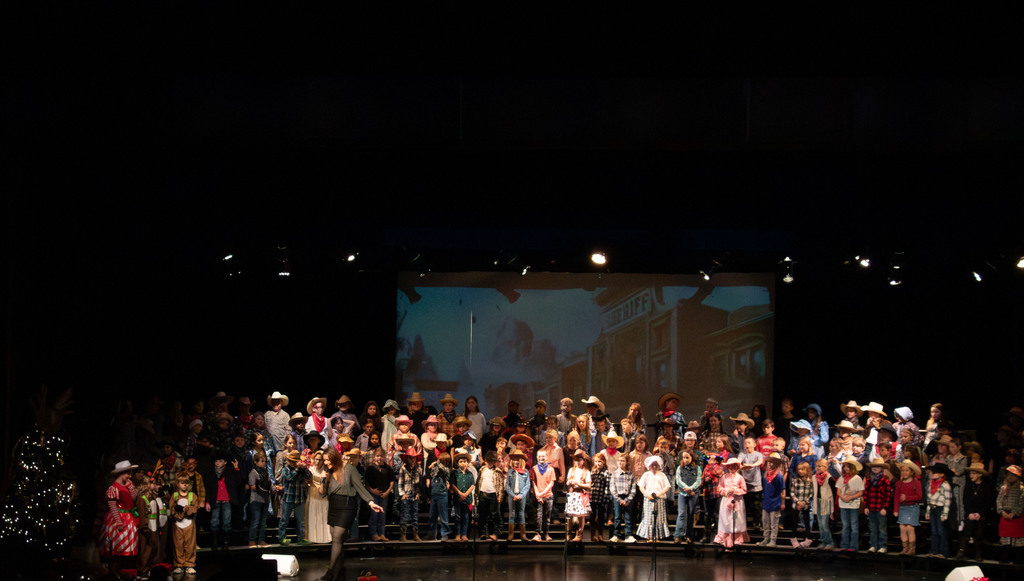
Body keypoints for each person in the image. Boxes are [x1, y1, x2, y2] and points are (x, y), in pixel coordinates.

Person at [317, 447, 384, 581]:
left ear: (334, 457)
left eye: (327, 460)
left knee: (337, 537)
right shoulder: (328, 471)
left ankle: (329, 572)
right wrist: (322, 480)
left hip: (347, 506)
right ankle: (338, 572)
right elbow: (322, 493)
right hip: (334, 506)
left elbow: (360, 487)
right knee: (338, 542)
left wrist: (371, 502)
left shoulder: (349, 469)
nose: (325, 463)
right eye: (324, 461)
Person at [99, 460, 140, 579]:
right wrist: (118, 522)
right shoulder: (113, 488)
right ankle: (113, 571)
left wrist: (130, 486)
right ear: (121, 473)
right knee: (118, 547)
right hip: (119, 519)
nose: (129, 475)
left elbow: (134, 498)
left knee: (127, 547)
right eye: (127, 473)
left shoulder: (127, 484)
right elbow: (112, 506)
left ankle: (123, 571)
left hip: (129, 517)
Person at [135, 472, 168, 580]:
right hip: (146, 529)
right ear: (146, 485)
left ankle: (152, 568)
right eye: (153, 483)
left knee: (154, 548)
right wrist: (145, 527)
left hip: (153, 528)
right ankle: (143, 569)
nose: (156, 486)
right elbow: (142, 514)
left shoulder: (154, 498)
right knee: (146, 549)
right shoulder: (142, 499)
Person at [957, 462, 992, 560]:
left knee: (979, 534)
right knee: (966, 532)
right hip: (970, 513)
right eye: (970, 473)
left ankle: (978, 554)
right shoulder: (968, 486)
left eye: (973, 473)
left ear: (980, 474)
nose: (971, 475)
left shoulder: (985, 487)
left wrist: (979, 514)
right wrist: (969, 513)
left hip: (980, 514)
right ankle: (961, 551)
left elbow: (987, 502)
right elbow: (965, 500)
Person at [277, 450, 311, 545]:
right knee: (284, 519)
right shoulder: (286, 469)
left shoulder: (301, 469)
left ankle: (301, 538)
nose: (293, 463)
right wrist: (297, 469)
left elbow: (310, 477)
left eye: (294, 461)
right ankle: (281, 537)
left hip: (300, 498)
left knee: (301, 521)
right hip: (288, 498)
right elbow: (289, 477)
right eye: (291, 461)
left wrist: (304, 469)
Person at [714, 457, 748, 548]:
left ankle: (736, 538)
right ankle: (724, 538)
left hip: (737, 501)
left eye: (733, 466)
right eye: (730, 466)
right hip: (726, 500)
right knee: (726, 518)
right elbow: (719, 488)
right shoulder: (724, 477)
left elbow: (744, 490)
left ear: (737, 467)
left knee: (737, 518)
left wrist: (735, 491)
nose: (731, 468)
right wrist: (725, 491)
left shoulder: (740, 477)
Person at [170, 473, 200, 576]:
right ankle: (179, 564)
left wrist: (187, 509)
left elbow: (195, 508)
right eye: (182, 483)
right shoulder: (174, 496)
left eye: (186, 483)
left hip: (189, 524)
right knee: (178, 544)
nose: (184, 485)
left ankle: (190, 564)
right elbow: (171, 509)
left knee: (190, 544)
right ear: (178, 484)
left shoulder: (192, 495)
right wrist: (178, 512)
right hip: (178, 524)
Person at [863, 457, 892, 553]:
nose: (875, 468)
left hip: (880, 508)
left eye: (878, 467)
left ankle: (882, 545)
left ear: (882, 468)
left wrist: (885, 508)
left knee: (882, 528)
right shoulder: (869, 480)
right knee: (873, 528)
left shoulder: (885, 480)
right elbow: (866, 494)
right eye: (873, 466)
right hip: (871, 507)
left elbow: (887, 495)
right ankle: (873, 545)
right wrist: (866, 506)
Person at [995, 464, 1023, 564]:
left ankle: (1017, 560)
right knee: (1005, 539)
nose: (1010, 477)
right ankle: (1005, 559)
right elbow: (999, 500)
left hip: (1016, 517)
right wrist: (1001, 511)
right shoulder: (1004, 487)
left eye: (1013, 475)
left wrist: (1014, 513)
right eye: (1008, 475)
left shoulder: (1021, 488)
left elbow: (1021, 503)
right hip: (1004, 515)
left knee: (1017, 540)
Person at [925, 462, 954, 557]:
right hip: (933, 508)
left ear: (942, 474)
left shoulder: (945, 485)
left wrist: (945, 513)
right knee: (934, 531)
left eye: (935, 472)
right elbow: (929, 498)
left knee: (942, 531)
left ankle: (943, 552)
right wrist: (928, 511)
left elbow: (947, 500)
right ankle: (934, 551)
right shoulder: (931, 484)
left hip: (940, 509)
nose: (932, 474)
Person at [894, 459, 923, 555]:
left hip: (912, 507)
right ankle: (905, 547)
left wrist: (907, 498)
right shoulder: (899, 484)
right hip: (903, 507)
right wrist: (895, 509)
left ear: (911, 472)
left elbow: (919, 496)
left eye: (906, 470)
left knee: (910, 527)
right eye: (902, 470)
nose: (904, 472)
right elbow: (896, 497)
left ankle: (912, 548)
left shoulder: (916, 483)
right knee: (902, 527)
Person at [836, 457, 864, 552]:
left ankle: (853, 546)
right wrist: (843, 496)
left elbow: (860, 492)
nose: (846, 468)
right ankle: (844, 544)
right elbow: (838, 491)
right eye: (845, 466)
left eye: (848, 466)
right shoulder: (842, 478)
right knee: (845, 525)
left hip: (853, 505)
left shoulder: (857, 478)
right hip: (843, 505)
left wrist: (850, 497)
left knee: (854, 525)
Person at [674, 449, 701, 543]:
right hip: (683, 493)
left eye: (687, 457)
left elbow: (698, 480)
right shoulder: (679, 468)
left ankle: (689, 536)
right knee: (681, 513)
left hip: (693, 494)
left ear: (692, 458)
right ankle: (678, 535)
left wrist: (691, 489)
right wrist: (687, 488)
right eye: (684, 457)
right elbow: (678, 480)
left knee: (690, 514)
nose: (685, 459)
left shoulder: (697, 468)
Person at [565, 448, 593, 542]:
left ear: (583, 461)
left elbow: (589, 485)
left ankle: (579, 533)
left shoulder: (586, 472)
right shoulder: (571, 470)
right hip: (572, 494)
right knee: (570, 515)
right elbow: (568, 481)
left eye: (580, 460)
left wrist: (578, 483)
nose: (578, 462)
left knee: (581, 515)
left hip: (581, 494)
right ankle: (569, 533)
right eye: (576, 460)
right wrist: (570, 482)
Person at [396, 450, 424, 542]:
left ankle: (415, 533)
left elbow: (420, 484)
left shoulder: (418, 469)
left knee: (414, 515)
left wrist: (418, 493)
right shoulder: (403, 469)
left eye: (413, 458)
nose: (412, 460)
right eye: (410, 458)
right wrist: (402, 494)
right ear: (407, 459)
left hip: (415, 495)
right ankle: (402, 534)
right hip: (406, 495)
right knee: (405, 514)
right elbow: (400, 483)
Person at [759, 453, 786, 547]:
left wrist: (783, 503)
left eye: (773, 462)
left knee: (774, 524)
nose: (771, 464)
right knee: (765, 522)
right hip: (766, 502)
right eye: (770, 462)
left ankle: (773, 540)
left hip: (775, 502)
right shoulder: (765, 475)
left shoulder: (779, 476)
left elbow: (783, 491)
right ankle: (766, 539)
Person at [247, 451, 273, 547]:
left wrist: (273, 488)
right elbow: (253, 486)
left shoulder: (266, 472)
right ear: (256, 462)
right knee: (256, 521)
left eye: (265, 461)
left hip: (265, 499)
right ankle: (252, 540)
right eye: (262, 461)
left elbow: (270, 485)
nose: (264, 463)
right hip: (256, 499)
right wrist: (262, 484)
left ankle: (261, 540)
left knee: (263, 522)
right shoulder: (253, 472)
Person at [476, 451, 504, 541]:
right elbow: (478, 482)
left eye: (491, 462)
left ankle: (496, 533)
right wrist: (477, 495)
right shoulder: (482, 470)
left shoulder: (497, 471)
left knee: (495, 514)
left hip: (493, 494)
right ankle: (483, 533)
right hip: (483, 493)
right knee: (483, 514)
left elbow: (500, 484)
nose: (489, 464)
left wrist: (500, 495)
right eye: (488, 461)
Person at [609, 452, 637, 543]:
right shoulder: (614, 474)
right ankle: (616, 534)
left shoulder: (631, 475)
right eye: (619, 461)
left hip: (627, 498)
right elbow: (612, 488)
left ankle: (628, 535)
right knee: (617, 516)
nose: (620, 463)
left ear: (626, 462)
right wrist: (619, 499)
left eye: (622, 461)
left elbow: (633, 489)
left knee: (628, 517)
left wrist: (628, 499)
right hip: (618, 498)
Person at [426, 451, 453, 541]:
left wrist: (436, 463)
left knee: (443, 515)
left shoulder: (447, 469)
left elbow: (443, 470)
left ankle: (445, 534)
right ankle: (432, 534)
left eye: (440, 460)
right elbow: (432, 474)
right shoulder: (437, 468)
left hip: (442, 494)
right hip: (434, 494)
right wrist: (433, 467)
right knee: (432, 515)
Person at [739, 436, 764, 531]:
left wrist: (751, 465)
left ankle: (757, 524)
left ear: (754, 444)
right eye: (745, 443)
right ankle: (743, 525)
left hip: (756, 485)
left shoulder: (758, 454)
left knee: (757, 506)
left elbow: (760, 462)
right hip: (745, 485)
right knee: (745, 506)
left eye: (749, 442)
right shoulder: (742, 454)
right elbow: (739, 462)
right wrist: (740, 466)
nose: (747, 445)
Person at [305, 450, 331, 543]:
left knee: (323, 518)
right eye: (316, 459)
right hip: (312, 495)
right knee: (313, 518)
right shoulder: (310, 470)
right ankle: (312, 539)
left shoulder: (326, 471)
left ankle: (324, 539)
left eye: (320, 460)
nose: (318, 461)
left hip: (323, 497)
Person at [531, 449, 557, 541]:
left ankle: (546, 533)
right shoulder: (534, 469)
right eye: (539, 456)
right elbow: (533, 482)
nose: (541, 458)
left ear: (547, 457)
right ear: (537, 457)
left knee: (547, 516)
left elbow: (551, 483)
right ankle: (537, 534)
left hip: (548, 496)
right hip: (537, 496)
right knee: (538, 516)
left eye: (543, 456)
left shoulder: (551, 469)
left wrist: (542, 493)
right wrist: (538, 494)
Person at [506, 449, 531, 541]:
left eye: (518, 459)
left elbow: (527, 485)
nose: (516, 461)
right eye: (514, 459)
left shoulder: (525, 472)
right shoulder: (510, 472)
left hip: (521, 496)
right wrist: (513, 495)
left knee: (521, 513)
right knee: (512, 514)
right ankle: (510, 535)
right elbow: (507, 485)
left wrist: (521, 495)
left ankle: (523, 535)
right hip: (512, 496)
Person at [789, 461, 814, 548]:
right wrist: (798, 502)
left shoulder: (810, 481)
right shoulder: (795, 480)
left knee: (807, 522)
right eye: (798, 469)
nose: (800, 471)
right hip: (796, 504)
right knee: (794, 522)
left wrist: (804, 502)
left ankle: (807, 539)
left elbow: (811, 493)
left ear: (807, 470)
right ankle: (793, 537)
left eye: (802, 469)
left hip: (805, 504)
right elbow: (792, 492)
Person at [451, 452, 476, 541]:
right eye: (461, 461)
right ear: (458, 463)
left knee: (466, 517)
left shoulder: (470, 474)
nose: (463, 463)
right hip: (458, 498)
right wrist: (460, 493)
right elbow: (452, 484)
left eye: (465, 461)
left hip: (467, 499)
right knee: (457, 517)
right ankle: (457, 534)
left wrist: (465, 494)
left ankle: (464, 534)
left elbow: (473, 484)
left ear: (467, 463)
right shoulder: (455, 473)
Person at [812, 458, 836, 550]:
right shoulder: (814, 477)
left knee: (824, 524)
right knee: (820, 525)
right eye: (816, 466)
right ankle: (823, 542)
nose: (817, 468)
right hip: (817, 501)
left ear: (826, 467)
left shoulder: (829, 478)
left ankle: (830, 543)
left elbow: (833, 493)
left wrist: (832, 509)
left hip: (826, 503)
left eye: (820, 466)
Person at [589, 454, 610, 542]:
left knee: (601, 516)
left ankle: (601, 534)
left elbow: (607, 486)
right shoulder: (593, 471)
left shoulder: (606, 472)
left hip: (601, 497)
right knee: (592, 516)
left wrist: (605, 497)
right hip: (593, 496)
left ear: (604, 462)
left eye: (600, 461)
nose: (598, 464)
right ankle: (593, 535)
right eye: (596, 461)